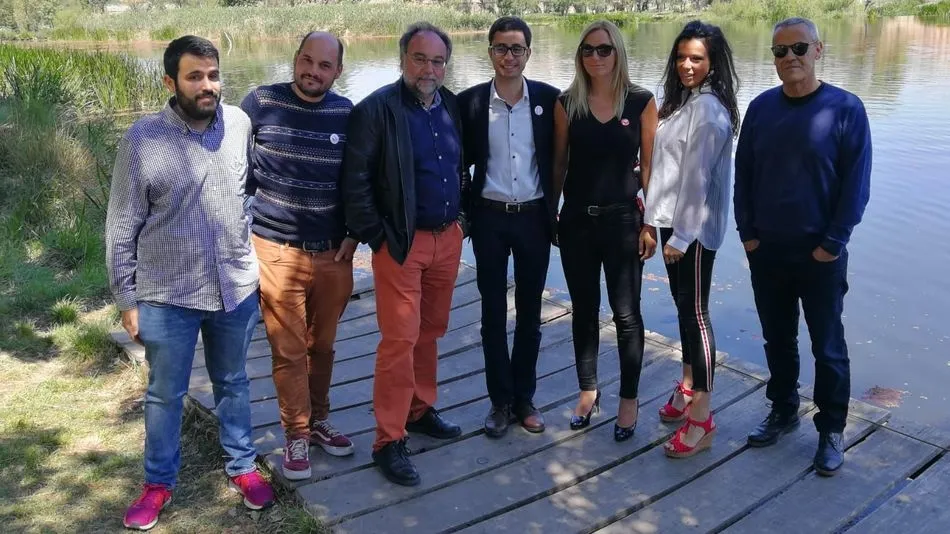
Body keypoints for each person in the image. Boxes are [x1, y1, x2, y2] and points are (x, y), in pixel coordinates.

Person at [105, 35, 274, 531]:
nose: (207, 86)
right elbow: (120, 227)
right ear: (170, 82)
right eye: (195, 76)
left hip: (233, 288)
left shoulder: (239, 124)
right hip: (166, 294)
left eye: (213, 75)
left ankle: (242, 466)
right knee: (164, 393)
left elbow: (247, 193)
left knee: (233, 382)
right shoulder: (142, 140)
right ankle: (158, 483)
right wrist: (127, 300)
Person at [734, 17, 872, 476]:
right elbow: (743, 176)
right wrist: (748, 234)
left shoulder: (846, 108)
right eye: (780, 51)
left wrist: (832, 243)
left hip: (820, 254)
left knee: (827, 346)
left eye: (798, 48)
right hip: (767, 251)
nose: (789, 57)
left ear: (818, 50)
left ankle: (831, 428)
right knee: (777, 339)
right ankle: (783, 409)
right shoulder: (760, 109)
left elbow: (856, 187)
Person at [342, 22, 466, 487]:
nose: (428, 69)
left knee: (430, 331)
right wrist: (378, 236)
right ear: (403, 59)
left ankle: (419, 409)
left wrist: (463, 219)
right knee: (399, 341)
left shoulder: (451, 105)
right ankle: (388, 440)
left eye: (437, 61)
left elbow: (461, 166)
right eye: (420, 59)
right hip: (401, 243)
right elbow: (355, 182)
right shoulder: (376, 109)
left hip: (447, 239)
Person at [240, 31, 358, 481]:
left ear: (338, 71)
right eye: (307, 60)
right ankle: (296, 432)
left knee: (322, 346)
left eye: (324, 65)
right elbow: (236, 171)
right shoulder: (260, 103)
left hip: (333, 254)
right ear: (295, 59)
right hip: (275, 248)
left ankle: (319, 419)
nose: (313, 71)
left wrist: (356, 233)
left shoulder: (347, 113)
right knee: (288, 350)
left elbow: (359, 181)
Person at [553, 20, 658, 443]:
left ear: (618, 52)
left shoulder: (641, 101)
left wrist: (651, 223)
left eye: (604, 49)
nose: (595, 57)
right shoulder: (567, 104)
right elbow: (559, 165)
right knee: (583, 309)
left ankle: (629, 400)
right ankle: (588, 390)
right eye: (587, 50)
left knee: (627, 314)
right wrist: (550, 213)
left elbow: (650, 169)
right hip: (577, 221)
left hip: (623, 222)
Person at [457, 16, 560, 438]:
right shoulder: (470, 103)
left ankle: (524, 399)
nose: (509, 56)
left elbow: (566, 157)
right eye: (501, 48)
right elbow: (456, 163)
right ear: (490, 52)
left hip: (534, 218)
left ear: (528, 53)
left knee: (531, 313)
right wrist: (462, 213)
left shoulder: (550, 100)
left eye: (517, 48)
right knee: (492, 313)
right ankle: (500, 402)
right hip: (490, 219)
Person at [642, 20, 740, 458]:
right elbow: (670, 166)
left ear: (713, 62)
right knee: (684, 308)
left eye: (697, 58)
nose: (686, 65)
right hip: (672, 222)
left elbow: (698, 180)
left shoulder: (708, 110)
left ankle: (702, 416)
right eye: (681, 57)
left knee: (696, 314)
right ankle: (686, 387)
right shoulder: (685, 102)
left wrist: (681, 237)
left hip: (692, 230)